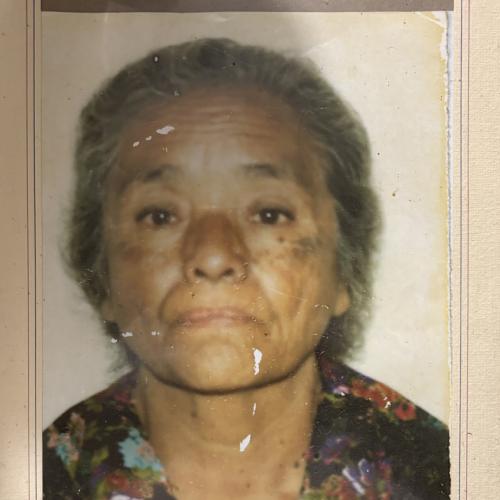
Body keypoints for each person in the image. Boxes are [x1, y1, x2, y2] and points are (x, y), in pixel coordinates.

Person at [43, 38, 449, 499]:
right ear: (103, 277)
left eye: (269, 214)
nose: (214, 256)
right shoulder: (38, 479)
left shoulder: (442, 476)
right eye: (160, 216)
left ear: (343, 268)